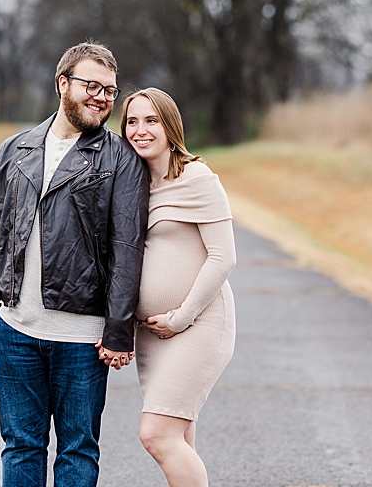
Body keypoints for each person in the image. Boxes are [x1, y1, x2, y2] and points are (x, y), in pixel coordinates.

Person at [0, 41, 149, 486]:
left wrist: (117, 330)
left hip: (83, 339)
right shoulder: (14, 149)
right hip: (14, 330)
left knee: (77, 450)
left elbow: (128, 250)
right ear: (63, 83)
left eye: (110, 90)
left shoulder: (121, 157)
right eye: (92, 86)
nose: (101, 98)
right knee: (21, 446)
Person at [116, 87, 236, 487]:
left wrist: (181, 318)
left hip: (197, 324)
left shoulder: (197, 178)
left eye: (151, 120)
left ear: (170, 126)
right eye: (132, 121)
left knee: (156, 434)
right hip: (152, 335)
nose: (141, 130)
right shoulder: (130, 185)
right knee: (179, 437)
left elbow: (223, 257)